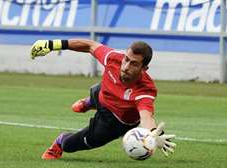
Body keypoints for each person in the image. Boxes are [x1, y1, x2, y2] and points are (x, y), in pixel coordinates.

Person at [30, 39, 176, 160]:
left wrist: (151, 134)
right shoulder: (113, 58)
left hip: (115, 120)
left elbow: (145, 116)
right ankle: (91, 101)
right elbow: (90, 45)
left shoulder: (145, 89)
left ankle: (61, 141)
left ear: (144, 68)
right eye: (126, 59)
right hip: (103, 94)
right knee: (102, 89)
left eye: (134, 64)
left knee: (75, 144)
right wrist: (53, 44)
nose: (125, 66)